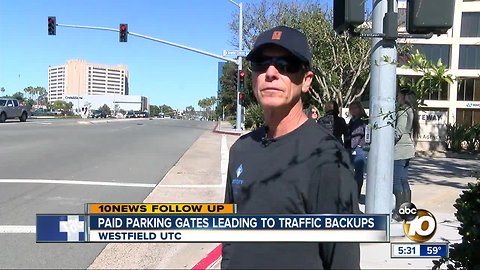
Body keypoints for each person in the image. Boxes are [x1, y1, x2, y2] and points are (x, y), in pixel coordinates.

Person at [221, 25, 360, 269]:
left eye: (286, 64)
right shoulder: (241, 150)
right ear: (252, 77)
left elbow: (342, 259)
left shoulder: (328, 158)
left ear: (306, 81)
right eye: (261, 63)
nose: (271, 72)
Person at [392, 87, 419, 221]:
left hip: (400, 150)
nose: (397, 98)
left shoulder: (403, 111)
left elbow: (399, 130)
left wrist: (387, 143)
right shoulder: (411, 110)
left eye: (398, 96)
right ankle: (407, 212)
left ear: (403, 97)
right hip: (407, 148)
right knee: (403, 180)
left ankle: (399, 212)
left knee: (396, 182)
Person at [346, 101, 369, 197]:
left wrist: (351, 147)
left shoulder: (361, 120)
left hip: (358, 149)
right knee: (355, 173)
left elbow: (356, 137)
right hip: (356, 149)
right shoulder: (353, 120)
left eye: (355, 108)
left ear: (360, 108)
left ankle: (356, 194)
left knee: (358, 173)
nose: (353, 110)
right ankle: (354, 193)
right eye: (351, 108)